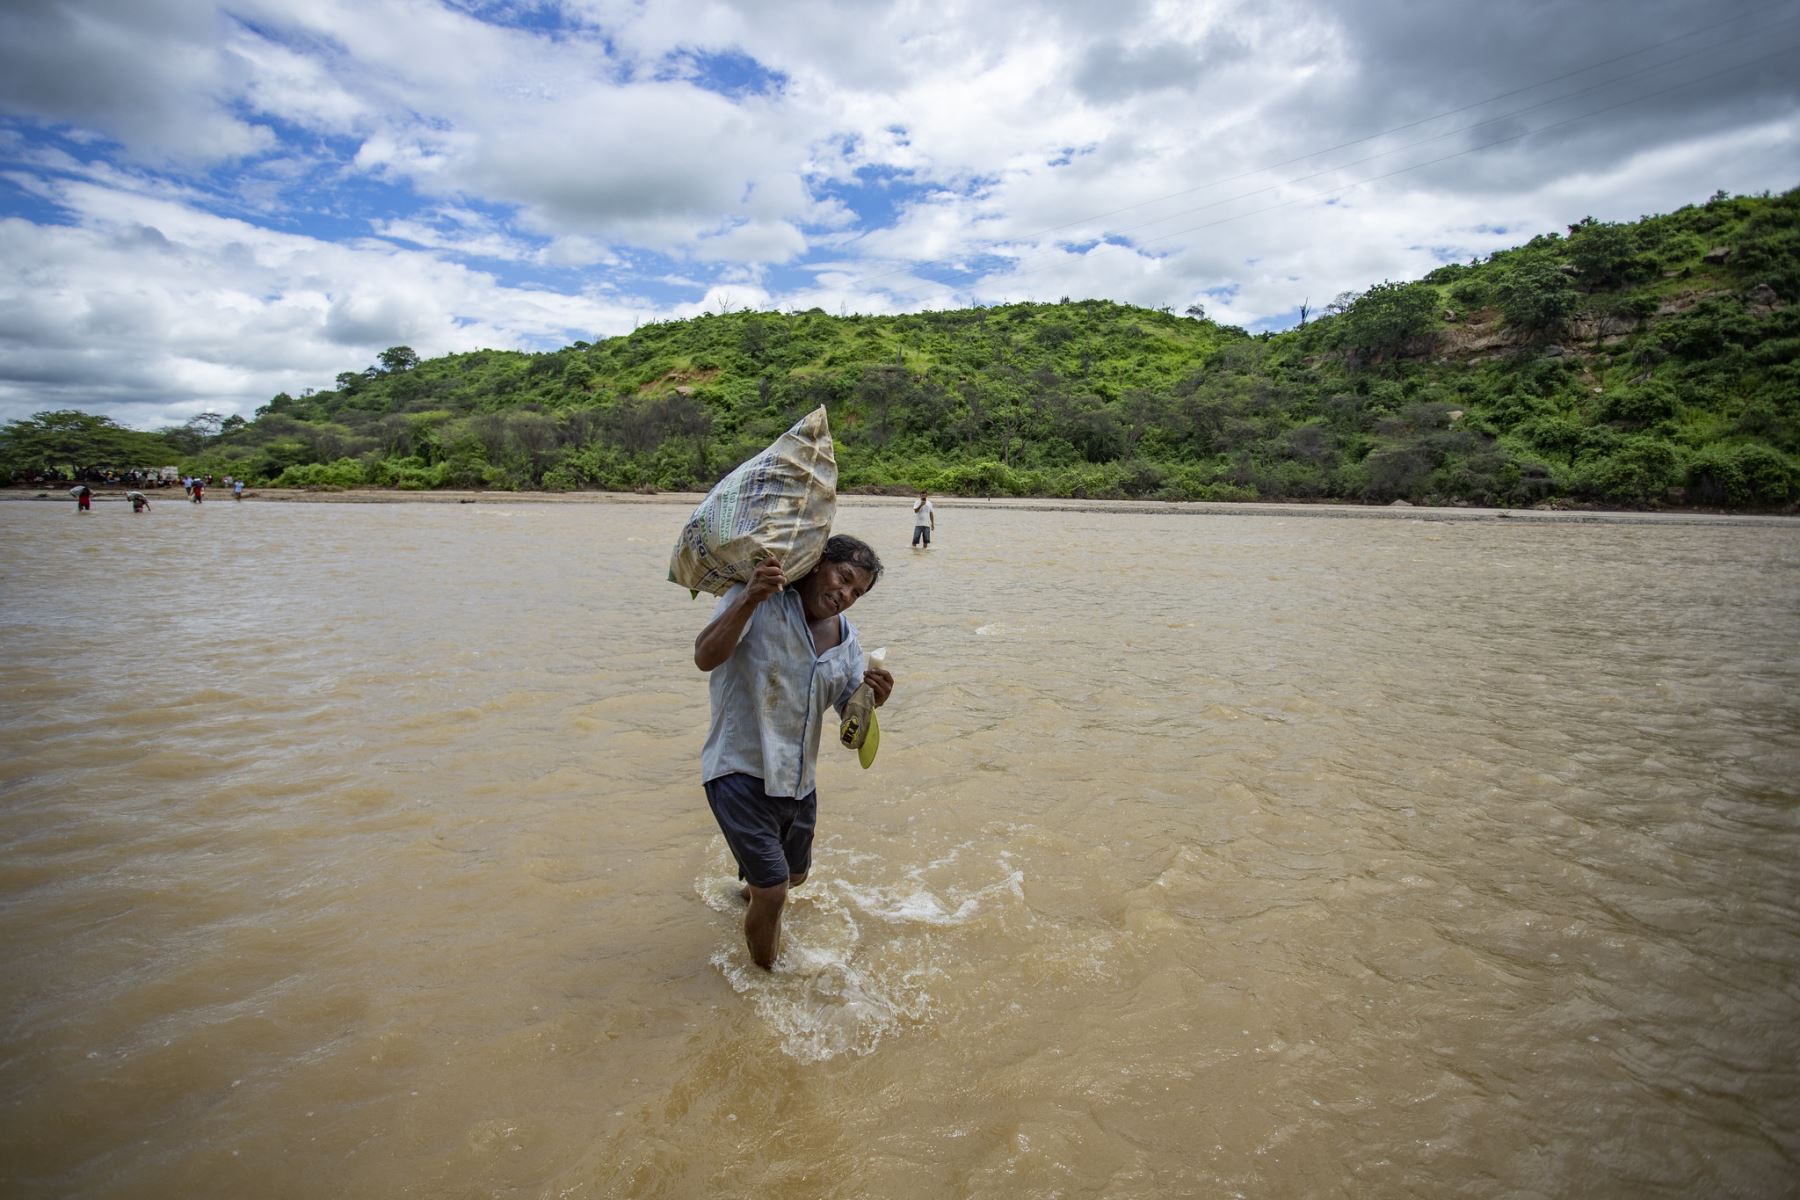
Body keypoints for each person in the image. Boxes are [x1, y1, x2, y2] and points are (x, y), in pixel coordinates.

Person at [693, 534, 894, 969]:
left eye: (857, 592)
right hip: (739, 770)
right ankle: (766, 984)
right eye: (843, 578)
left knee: (795, 876)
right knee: (775, 890)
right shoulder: (758, 598)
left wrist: (870, 698)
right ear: (818, 563)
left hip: (798, 783)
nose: (845, 595)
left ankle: (742, 893)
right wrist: (748, 597)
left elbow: (849, 722)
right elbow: (705, 657)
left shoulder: (846, 640)